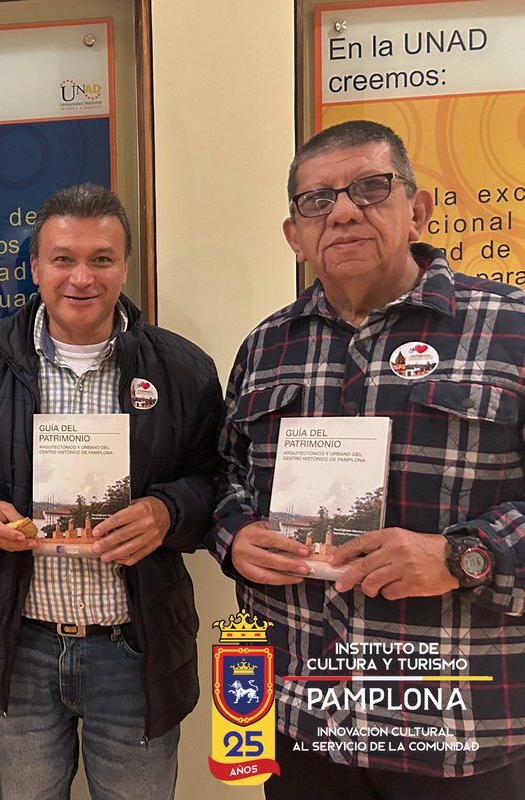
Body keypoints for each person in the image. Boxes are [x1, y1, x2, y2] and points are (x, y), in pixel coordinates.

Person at [211, 119, 525, 798]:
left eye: (370, 188)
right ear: (295, 234)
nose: (344, 210)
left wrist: (461, 556)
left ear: (418, 209)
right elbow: (225, 477)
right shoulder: (265, 347)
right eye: (317, 200)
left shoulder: (511, 329)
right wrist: (235, 535)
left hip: (460, 728)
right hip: (303, 726)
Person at [0, 183, 223, 799]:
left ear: (125, 267)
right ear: (35, 266)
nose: (81, 277)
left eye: (101, 259)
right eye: (63, 258)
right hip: (19, 646)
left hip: (134, 650)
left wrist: (167, 511)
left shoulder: (183, 369)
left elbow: (218, 483)